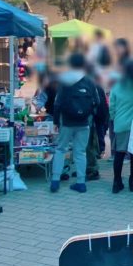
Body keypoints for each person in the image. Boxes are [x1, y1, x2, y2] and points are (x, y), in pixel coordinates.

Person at [49, 53, 99, 193]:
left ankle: (55, 181)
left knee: (60, 149)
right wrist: (88, 116)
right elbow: (97, 102)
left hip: (66, 122)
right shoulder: (89, 81)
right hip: (84, 123)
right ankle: (81, 183)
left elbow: (57, 103)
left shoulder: (64, 81)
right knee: (80, 152)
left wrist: (55, 121)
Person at [108, 58, 133, 193]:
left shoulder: (117, 86)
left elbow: (112, 107)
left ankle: (117, 182)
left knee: (119, 154)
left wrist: (114, 119)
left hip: (121, 124)